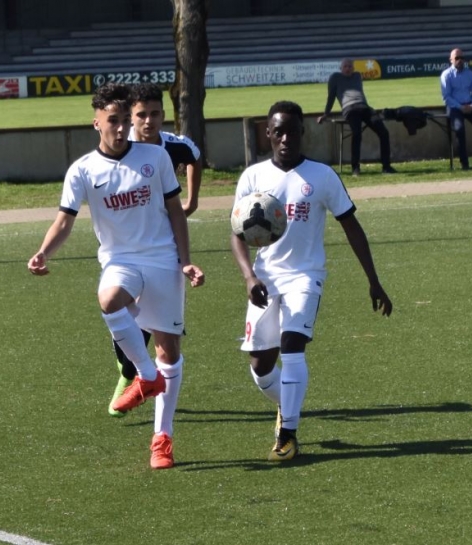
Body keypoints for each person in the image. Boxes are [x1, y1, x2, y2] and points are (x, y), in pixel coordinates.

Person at [27, 83, 206, 469]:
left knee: (169, 353)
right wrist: (43, 251)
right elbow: (64, 221)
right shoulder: (82, 170)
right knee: (109, 300)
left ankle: (162, 439)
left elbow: (175, 211)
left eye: (126, 120)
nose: (122, 127)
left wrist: (185, 261)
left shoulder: (155, 157)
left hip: (162, 258)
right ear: (97, 123)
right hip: (120, 259)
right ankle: (145, 376)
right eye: (114, 120)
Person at [232, 101, 393, 462]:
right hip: (265, 278)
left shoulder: (321, 176)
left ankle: (287, 435)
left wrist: (374, 280)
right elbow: (237, 233)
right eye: (279, 131)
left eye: (293, 131)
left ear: (302, 133)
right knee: (260, 367)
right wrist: (249, 276)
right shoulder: (253, 178)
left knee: (292, 346)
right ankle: (287, 404)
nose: (286, 138)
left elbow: (351, 226)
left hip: (306, 276)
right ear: (268, 134)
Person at [102, 82, 204, 418]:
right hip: (126, 250)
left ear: (163, 115)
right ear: (130, 117)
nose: (148, 121)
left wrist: (192, 200)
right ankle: (129, 371)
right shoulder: (120, 145)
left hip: (164, 247)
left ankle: (144, 383)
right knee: (126, 314)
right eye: (141, 115)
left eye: (155, 114)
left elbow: (195, 157)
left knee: (160, 328)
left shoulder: (172, 146)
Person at [316, 58, 396, 176]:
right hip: (350, 109)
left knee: (384, 132)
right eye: (345, 66)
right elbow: (331, 97)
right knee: (356, 133)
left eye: (350, 66)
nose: (348, 69)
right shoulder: (335, 77)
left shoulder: (357, 76)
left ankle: (386, 166)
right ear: (340, 68)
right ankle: (355, 168)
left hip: (364, 107)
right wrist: (326, 114)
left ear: (353, 68)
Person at [440, 48, 472, 170]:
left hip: (470, 106)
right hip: (455, 108)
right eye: (457, 58)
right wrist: (460, 107)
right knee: (459, 130)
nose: (460, 60)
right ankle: (465, 163)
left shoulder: (470, 74)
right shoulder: (446, 75)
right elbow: (446, 97)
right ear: (451, 60)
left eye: (462, 58)